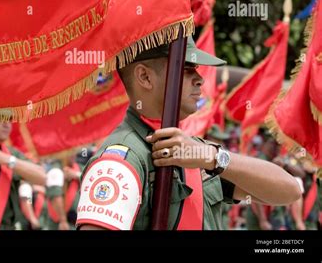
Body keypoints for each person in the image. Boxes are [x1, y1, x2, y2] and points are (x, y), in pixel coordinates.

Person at [76, 38, 302, 230]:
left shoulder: (196, 152)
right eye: (185, 69)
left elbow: (288, 191)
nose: (200, 78)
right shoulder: (120, 162)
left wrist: (213, 157)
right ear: (145, 77)